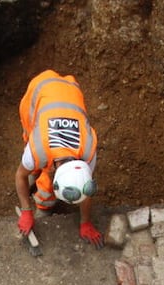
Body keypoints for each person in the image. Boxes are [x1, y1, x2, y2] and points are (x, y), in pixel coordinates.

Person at [15, 69, 103, 249]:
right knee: (30, 152)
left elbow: (84, 187)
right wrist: (26, 210)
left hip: (71, 89)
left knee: (43, 176)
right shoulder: (37, 149)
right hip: (39, 90)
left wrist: (86, 222)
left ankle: (43, 203)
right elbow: (20, 175)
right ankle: (38, 180)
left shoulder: (88, 152)